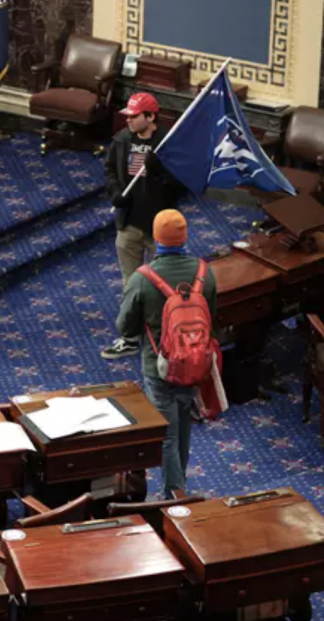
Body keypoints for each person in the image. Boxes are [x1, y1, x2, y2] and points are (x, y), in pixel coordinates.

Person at [115, 210, 216, 499]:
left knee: (167, 431)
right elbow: (213, 319)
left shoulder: (142, 278)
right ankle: (179, 482)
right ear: (185, 237)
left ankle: (176, 492)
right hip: (196, 362)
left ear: (156, 238)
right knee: (183, 424)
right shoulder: (204, 272)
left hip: (159, 365)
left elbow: (125, 327)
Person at [102, 92, 184, 360]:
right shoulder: (122, 140)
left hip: (159, 228)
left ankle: (164, 338)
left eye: (134, 116)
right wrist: (116, 192)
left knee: (164, 284)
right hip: (128, 225)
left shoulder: (168, 144)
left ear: (150, 117)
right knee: (131, 284)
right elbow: (111, 171)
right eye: (128, 116)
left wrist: (158, 170)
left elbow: (182, 184)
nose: (128, 121)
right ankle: (129, 337)